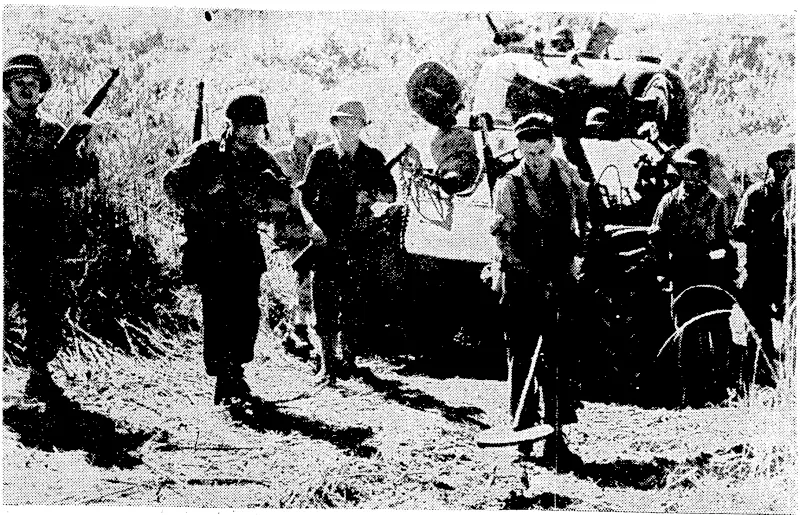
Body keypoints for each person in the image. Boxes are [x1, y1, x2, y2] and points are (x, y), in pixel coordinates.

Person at [163, 88, 292, 406]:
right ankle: (225, 377)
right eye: (244, 124)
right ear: (231, 123)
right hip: (211, 245)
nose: (250, 131)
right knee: (219, 312)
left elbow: (285, 197)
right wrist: (201, 199)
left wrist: (263, 201)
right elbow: (171, 183)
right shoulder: (205, 152)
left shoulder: (261, 158)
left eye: (256, 125)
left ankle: (236, 371)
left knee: (247, 312)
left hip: (246, 244)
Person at [488, 113, 589, 470]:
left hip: (560, 278)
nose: (535, 159)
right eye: (527, 152)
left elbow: (582, 218)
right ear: (519, 150)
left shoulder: (567, 176)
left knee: (558, 358)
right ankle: (523, 431)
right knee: (522, 355)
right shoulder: (509, 185)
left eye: (541, 151)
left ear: (551, 147)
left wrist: (576, 257)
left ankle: (556, 437)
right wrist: (533, 276)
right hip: (521, 280)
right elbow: (503, 239)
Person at [3, 50, 99, 400]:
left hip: (44, 233)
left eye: (34, 85)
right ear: (8, 89)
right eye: (19, 84)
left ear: (42, 90)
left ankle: (38, 372)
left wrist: (80, 146)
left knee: (46, 306)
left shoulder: (54, 131)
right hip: (7, 232)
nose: (27, 90)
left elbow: (78, 178)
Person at [297, 99, 396, 385]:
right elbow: (304, 197)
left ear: (362, 126)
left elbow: (390, 195)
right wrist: (313, 225)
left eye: (355, 123)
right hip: (327, 239)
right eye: (343, 122)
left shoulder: (373, 158)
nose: (348, 129)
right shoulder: (321, 156)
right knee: (324, 301)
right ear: (335, 125)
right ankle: (327, 366)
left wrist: (372, 196)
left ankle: (349, 360)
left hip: (359, 240)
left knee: (355, 301)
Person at [649, 144, 739, 406]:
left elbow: (726, 240)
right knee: (686, 333)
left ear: (703, 171)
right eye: (685, 169)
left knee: (719, 330)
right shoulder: (669, 200)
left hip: (712, 273)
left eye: (695, 169)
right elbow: (656, 236)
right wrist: (663, 270)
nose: (690, 175)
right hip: (682, 272)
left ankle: (722, 390)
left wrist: (723, 262)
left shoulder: (717, 202)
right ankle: (691, 394)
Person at [733, 143, 795, 382]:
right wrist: (761, 232)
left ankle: (790, 372)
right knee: (758, 324)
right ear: (771, 163)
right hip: (760, 266)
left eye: (788, 159)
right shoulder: (756, 193)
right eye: (779, 159)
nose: (784, 164)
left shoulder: (794, 193)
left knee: (791, 320)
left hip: (787, 268)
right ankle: (761, 373)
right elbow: (738, 230)